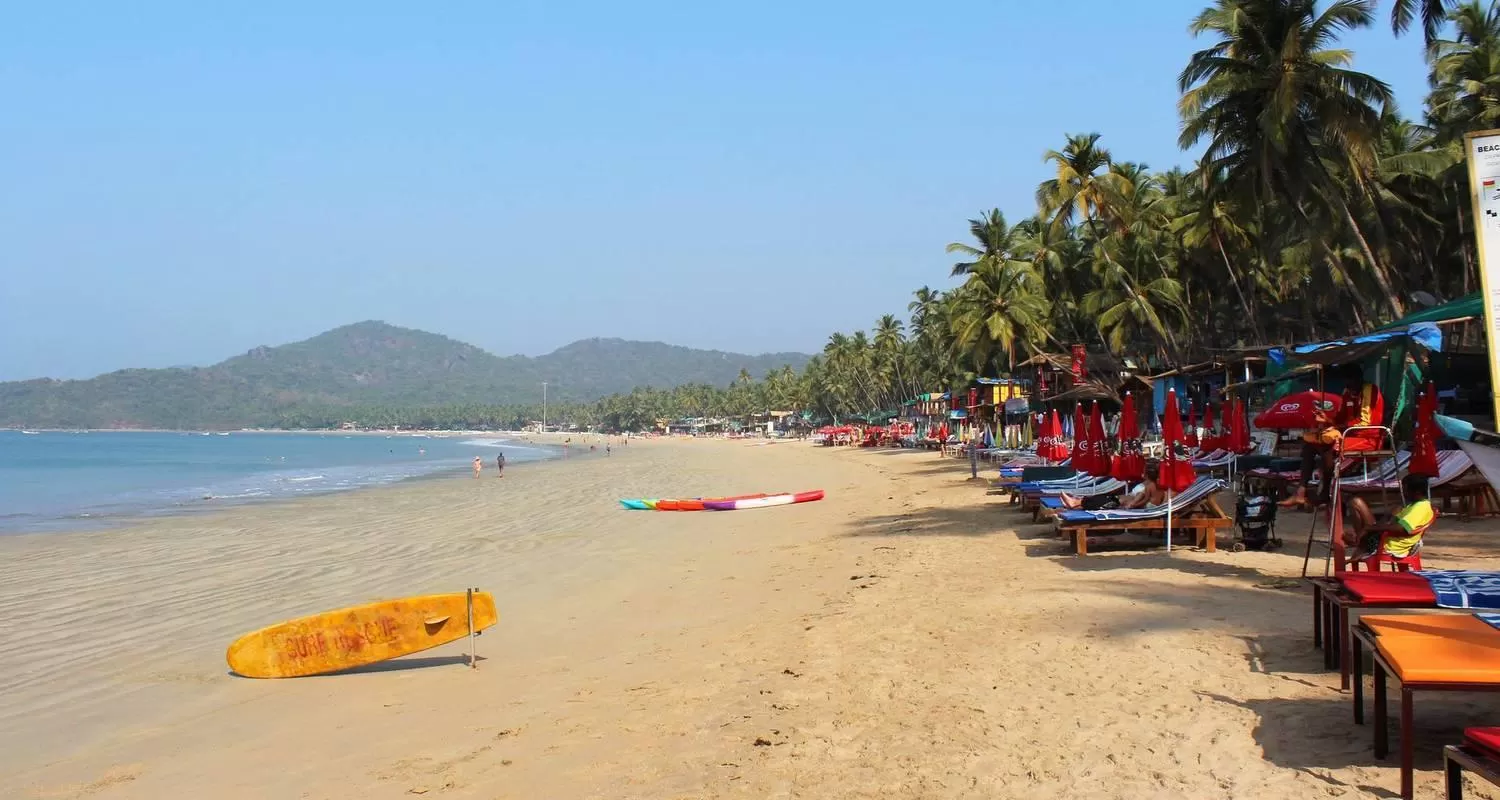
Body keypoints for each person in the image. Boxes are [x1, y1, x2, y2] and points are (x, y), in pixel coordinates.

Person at [1280, 365, 1385, 510]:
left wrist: (1336, 427)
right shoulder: (1347, 393)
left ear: (1359, 379)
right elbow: (1340, 418)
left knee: (1328, 446)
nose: (1349, 386)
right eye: (1347, 383)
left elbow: (1365, 422)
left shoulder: (1369, 390)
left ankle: (1324, 493)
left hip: (1368, 438)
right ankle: (1301, 491)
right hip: (1349, 435)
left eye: (1351, 382)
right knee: (1310, 447)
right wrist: (1327, 419)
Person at [1343, 474, 1432, 566]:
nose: (1403, 493)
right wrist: (1391, 514)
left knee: (1343, 533)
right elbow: (1390, 520)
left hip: (1387, 543)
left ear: (1417, 492)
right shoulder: (1413, 505)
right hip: (1384, 537)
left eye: (1405, 490)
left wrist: (1368, 528)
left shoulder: (1419, 508)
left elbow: (1399, 528)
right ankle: (1359, 542)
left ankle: (1359, 544)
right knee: (1355, 503)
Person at [1059, 460, 1166, 511]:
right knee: (1102, 498)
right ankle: (1077, 502)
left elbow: (1143, 498)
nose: (1142, 471)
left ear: (1147, 472)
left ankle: (1075, 502)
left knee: (1102, 500)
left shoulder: (1150, 486)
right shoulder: (1147, 483)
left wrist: (1132, 504)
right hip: (1120, 500)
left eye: (1144, 469)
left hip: (1122, 503)